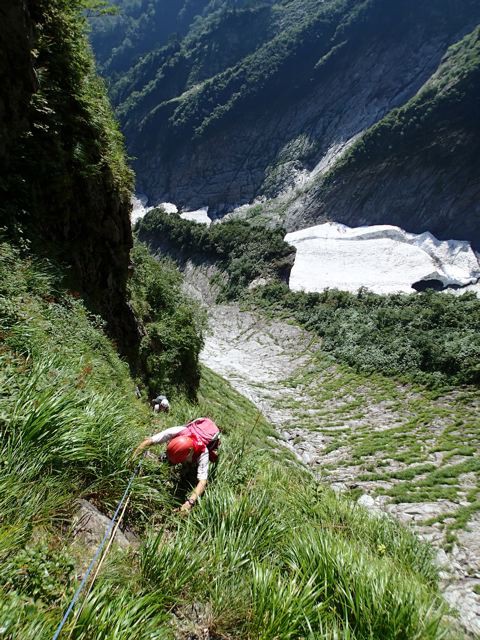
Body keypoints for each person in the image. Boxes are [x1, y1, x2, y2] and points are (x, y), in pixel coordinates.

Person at [134, 417, 220, 513]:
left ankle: (194, 464)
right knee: (166, 460)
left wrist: (190, 502)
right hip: (194, 434)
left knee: (192, 473)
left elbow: (203, 482)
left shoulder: (203, 452)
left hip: (209, 440)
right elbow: (148, 441)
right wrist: (132, 460)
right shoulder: (178, 430)